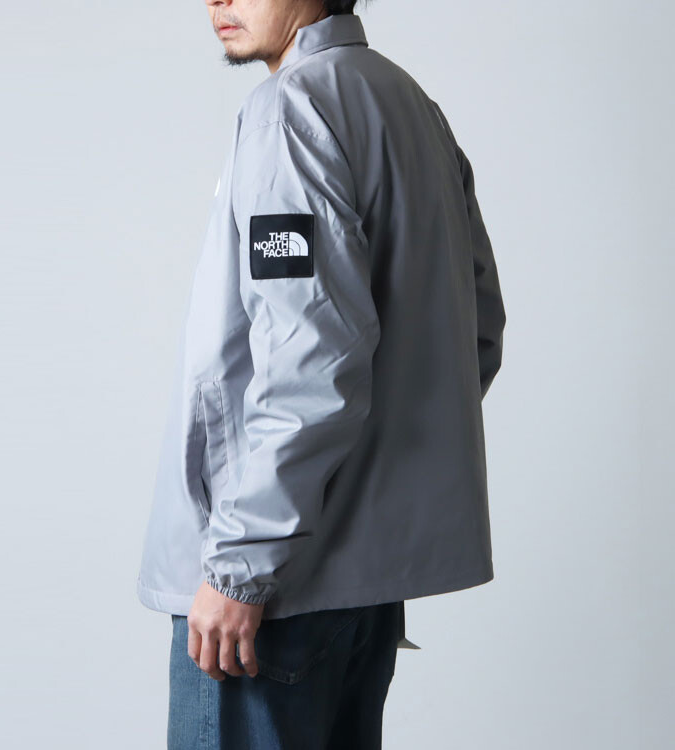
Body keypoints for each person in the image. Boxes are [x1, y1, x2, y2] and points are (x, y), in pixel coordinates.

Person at [137, 1, 506, 747]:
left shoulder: (291, 109)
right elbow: (475, 329)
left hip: (270, 595)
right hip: (362, 594)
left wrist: (240, 566)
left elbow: (310, 361)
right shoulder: (410, 105)